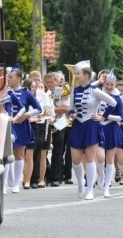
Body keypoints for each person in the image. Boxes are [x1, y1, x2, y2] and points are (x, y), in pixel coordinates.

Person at [67, 61, 117, 200]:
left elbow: (113, 102)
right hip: (78, 125)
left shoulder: (95, 91)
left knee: (90, 158)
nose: (76, 76)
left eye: (79, 74)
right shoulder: (74, 91)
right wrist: (72, 114)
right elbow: (71, 107)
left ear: (87, 76)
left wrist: (103, 116)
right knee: (75, 160)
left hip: (91, 125)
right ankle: (80, 184)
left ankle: (90, 189)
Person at [4, 69, 42, 194]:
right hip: (7, 124)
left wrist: (26, 114)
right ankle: (5, 183)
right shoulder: (4, 91)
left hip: (20, 125)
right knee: (6, 155)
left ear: (19, 78)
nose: (8, 79)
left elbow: (38, 109)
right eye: (8, 76)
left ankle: (16, 184)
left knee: (19, 154)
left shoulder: (26, 93)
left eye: (11, 76)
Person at [46, 72, 70, 187]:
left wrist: (52, 109)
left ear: (56, 81)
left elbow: (66, 108)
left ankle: (57, 176)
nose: (49, 84)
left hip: (60, 122)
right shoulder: (47, 93)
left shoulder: (59, 91)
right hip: (48, 122)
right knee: (46, 150)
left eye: (52, 82)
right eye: (48, 82)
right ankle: (49, 174)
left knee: (58, 150)